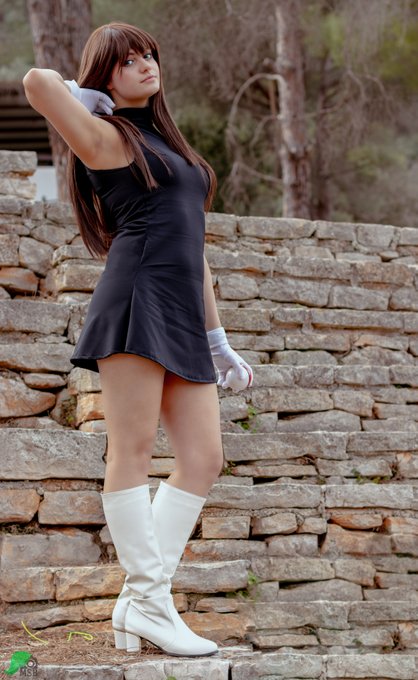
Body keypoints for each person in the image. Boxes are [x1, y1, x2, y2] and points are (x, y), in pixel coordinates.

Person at [23, 21, 253, 657]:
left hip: (181, 307)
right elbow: (36, 82)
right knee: (131, 449)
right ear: (106, 75)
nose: (146, 64)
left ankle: (138, 603)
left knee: (203, 457)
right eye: (127, 61)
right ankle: (151, 603)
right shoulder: (105, 137)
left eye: (149, 54)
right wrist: (84, 93)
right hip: (135, 298)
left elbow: (196, 250)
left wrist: (218, 338)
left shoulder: (169, 144)